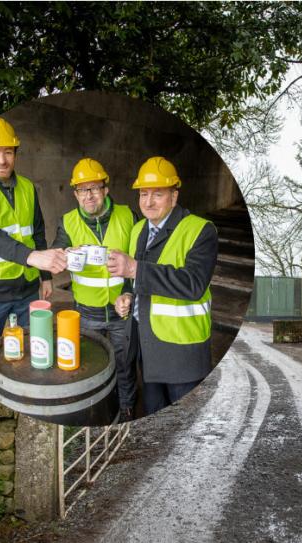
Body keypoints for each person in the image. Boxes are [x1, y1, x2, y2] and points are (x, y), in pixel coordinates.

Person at [0, 117, 66, 388]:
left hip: (27, 289)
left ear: (15, 154)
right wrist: (34, 258)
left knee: (33, 350)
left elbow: (37, 233)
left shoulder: (28, 187)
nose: (2, 160)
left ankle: (25, 400)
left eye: (8, 152)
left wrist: (45, 277)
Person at [107, 156, 218, 417]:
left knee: (187, 425)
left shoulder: (201, 230)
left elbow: (193, 284)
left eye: (157, 194)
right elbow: (134, 281)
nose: (148, 202)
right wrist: (126, 295)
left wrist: (134, 268)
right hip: (147, 347)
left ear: (174, 196)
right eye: (144, 193)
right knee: (155, 421)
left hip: (182, 353)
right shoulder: (137, 230)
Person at [52, 157, 137, 419]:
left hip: (122, 311)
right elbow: (55, 259)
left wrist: (130, 294)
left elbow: (140, 262)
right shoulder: (68, 222)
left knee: (125, 365)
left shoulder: (128, 216)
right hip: (87, 312)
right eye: (82, 190)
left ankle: (127, 410)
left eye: (94, 188)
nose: (89, 196)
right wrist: (66, 254)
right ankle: (99, 411)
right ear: (76, 194)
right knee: (92, 365)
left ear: (105, 189)